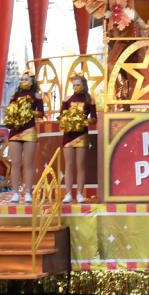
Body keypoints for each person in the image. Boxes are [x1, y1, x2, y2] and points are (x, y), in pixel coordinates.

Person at [108, 0, 145, 104]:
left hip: (127, 33)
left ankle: (126, 96)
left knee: (114, 64)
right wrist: (106, 30)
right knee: (122, 68)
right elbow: (107, 11)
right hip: (113, 34)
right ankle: (125, 100)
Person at [7, 72, 45, 203]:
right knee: (15, 164)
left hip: (29, 130)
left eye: (26, 79)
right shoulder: (15, 95)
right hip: (14, 131)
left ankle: (28, 191)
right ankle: (15, 192)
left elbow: (41, 113)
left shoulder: (36, 95)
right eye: (22, 79)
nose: (23, 81)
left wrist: (29, 111)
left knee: (28, 164)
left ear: (32, 81)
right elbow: (9, 111)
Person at [60, 75, 97, 203]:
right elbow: (61, 118)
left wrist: (84, 121)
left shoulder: (89, 100)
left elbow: (94, 118)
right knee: (68, 165)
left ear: (84, 85)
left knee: (80, 165)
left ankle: (80, 193)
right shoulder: (66, 99)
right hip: (68, 136)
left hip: (82, 135)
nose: (76, 87)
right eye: (74, 85)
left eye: (78, 85)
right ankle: (68, 193)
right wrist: (68, 120)